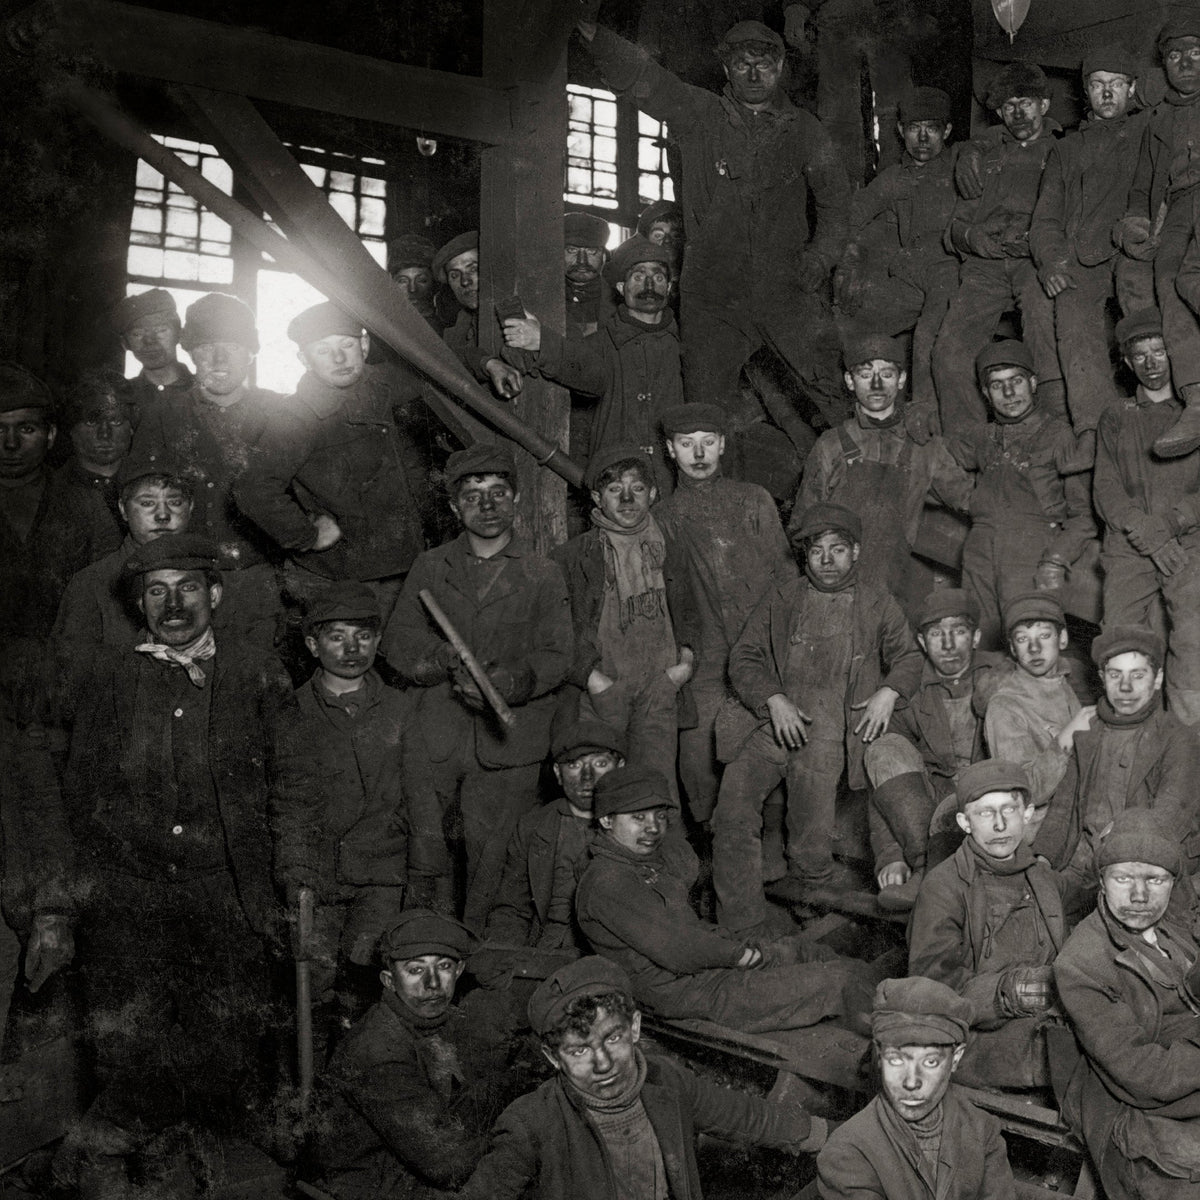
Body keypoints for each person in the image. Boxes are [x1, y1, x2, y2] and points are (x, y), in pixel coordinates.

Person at [52, 532, 289, 1191]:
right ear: (140, 604)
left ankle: (101, 1144)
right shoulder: (110, 676)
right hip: (132, 899)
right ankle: (143, 1163)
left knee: (225, 1043)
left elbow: (295, 779)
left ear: (214, 593)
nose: (173, 603)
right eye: (156, 591)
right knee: (128, 1043)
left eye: (187, 588)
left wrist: (295, 878)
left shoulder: (255, 670)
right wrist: (77, 902)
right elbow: (83, 793)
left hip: (226, 892)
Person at [577, 17, 850, 430]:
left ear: (780, 69)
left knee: (827, 395)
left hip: (786, 287)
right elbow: (644, 77)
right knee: (704, 409)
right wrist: (593, 34)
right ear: (726, 69)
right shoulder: (699, 114)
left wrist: (818, 259)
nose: (755, 75)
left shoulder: (806, 131)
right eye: (743, 65)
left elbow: (836, 205)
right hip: (713, 293)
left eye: (765, 65)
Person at [381, 443, 572, 929]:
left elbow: (558, 655)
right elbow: (398, 640)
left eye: (498, 493)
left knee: (494, 866)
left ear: (518, 500)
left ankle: (480, 963)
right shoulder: (430, 566)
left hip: (509, 745)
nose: (487, 507)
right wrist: (442, 657)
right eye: (472, 496)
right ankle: (427, 951)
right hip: (436, 737)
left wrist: (512, 682)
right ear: (452, 507)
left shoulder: (543, 571)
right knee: (426, 855)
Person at [460, 955, 831, 1200]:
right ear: (552, 1057)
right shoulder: (531, 1124)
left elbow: (747, 1117)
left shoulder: (664, 1081)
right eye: (579, 1050)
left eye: (613, 1038)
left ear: (635, 1028)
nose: (603, 1063)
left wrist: (833, 1132)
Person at [713, 502, 922, 928]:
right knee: (732, 812)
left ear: (857, 552)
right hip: (770, 725)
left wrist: (889, 690)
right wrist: (773, 698)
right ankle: (738, 924)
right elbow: (745, 655)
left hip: (828, 733)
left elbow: (909, 657)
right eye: (816, 552)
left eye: (838, 550)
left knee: (811, 838)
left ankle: (810, 912)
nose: (827, 561)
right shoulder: (784, 596)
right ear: (803, 555)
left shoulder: (876, 602)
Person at [578, 764, 875, 1035]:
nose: (653, 828)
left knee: (810, 953)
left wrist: (749, 951)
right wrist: (743, 956)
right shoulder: (609, 882)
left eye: (659, 815)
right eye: (638, 817)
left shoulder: (640, 864)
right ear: (606, 820)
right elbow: (680, 949)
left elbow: (687, 929)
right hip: (688, 992)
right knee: (839, 981)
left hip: (705, 970)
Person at [236, 300, 428, 624]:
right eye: (323, 350)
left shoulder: (379, 385)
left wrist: (486, 364)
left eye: (347, 344)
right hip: (340, 576)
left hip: (403, 564)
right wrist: (306, 534)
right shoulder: (297, 416)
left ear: (364, 346)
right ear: (304, 359)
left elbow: (432, 368)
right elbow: (253, 488)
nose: (339, 358)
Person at [655, 403, 796, 827]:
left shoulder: (753, 500)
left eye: (708, 443)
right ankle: (712, 855)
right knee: (699, 765)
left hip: (761, 653)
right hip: (704, 663)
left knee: (772, 752)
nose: (699, 454)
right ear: (670, 449)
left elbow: (787, 579)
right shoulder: (663, 517)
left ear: (722, 445)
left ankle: (767, 849)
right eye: (686, 444)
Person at [271, 582, 410, 1007]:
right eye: (337, 637)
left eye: (363, 636)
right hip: (316, 874)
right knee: (311, 989)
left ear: (378, 642)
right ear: (313, 645)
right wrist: (296, 875)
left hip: (383, 874)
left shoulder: (403, 709)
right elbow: (285, 803)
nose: (352, 648)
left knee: (370, 987)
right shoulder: (289, 712)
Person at [316, 911, 518, 1200]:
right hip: (371, 1185)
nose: (433, 983)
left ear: (459, 971)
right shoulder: (380, 1051)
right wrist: (520, 1135)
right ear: (388, 980)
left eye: (444, 966)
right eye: (415, 970)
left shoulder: (424, 1020)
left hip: (401, 1165)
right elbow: (448, 1164)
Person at [1053, 809, 1200, 1200]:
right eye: (1123, 878)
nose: (1139, 896)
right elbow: (1144, 1078)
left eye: (1155, 879)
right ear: (1101, 881)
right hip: (1130, 1112)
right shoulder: (1082, 962)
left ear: (1173, 883)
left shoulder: (1174, 932)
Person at [129, 291, 284, 648]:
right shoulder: (165, 413)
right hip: (185, 581)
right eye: (205, 346)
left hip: (259, 580)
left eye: (230, 344)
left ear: (251, 351)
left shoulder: (280, 413)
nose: (217, 357)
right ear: (190, 353)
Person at [908, 760, 1067, 1088]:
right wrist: (1007, 992)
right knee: (1066, 1054)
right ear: (965, 822)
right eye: (984, 813)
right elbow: (932, 990)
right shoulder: (944, 886)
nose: (999, 825)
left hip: (1043, 1016)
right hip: (976, 1034)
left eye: (1009, 810)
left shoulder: (1041, 877)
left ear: (1027, 814)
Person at [551, 445, 696, 800]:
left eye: (638, 489)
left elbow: (690, 612)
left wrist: (684, 666)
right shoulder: (573, 556)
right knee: (598, 793)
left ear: (654, 494)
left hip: (658, 691)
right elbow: (553, 630)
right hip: (601, 692)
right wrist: (593, 679)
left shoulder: (670, 547)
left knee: (657, 790)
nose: (628, 499)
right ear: (598, 498)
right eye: (616, 490)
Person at [788, 334, 972, 612]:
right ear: (850, 381)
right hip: (837, 587)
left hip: (894, 590)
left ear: (901, 380)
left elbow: (971, 498)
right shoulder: (831, 444)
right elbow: (802, 523)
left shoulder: (925, 446)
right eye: (865, 374)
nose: (876, 384)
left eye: (886, 374)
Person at [933, 62, 1064, 433]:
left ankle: (1048, 434)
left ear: (1044, 105)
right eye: (1008, 106)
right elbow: (955, 228)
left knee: (1045, 331)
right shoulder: (987, 157)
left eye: (1026, 102)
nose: (1018, 113)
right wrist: (973, 238)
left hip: (1034, 263)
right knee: (949, 353)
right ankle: (973, 444)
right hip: (985, 268)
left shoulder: (1062, 153)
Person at [863, 588, 1009, 912]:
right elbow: (883, 785)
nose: (947, 644)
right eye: (936, 634)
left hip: (993, 797)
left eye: (958, 632)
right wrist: (890, 855)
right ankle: (924, 869)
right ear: (921, 641)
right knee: (882, 749)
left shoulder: (1002, 675)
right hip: (933, 811)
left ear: (975, 637)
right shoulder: (907, 692)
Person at [503, 237, 682, 493]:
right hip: (617, 479)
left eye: (659, 277)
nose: (650, 285)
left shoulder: (683, 345)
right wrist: (541, 341)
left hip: (672, 480)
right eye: (639, 277)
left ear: (669, 287)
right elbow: (586, 373)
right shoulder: (601, 343)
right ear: (621, 287)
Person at [947, 340, 1096, 648]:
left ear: (1032, 383)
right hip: (979, 552)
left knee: (1034, 650)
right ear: (986, 394)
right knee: (981, 649)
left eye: (1016, 381)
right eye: (997, 386)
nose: (1009, 393)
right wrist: (969, 500)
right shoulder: (981, 437)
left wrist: (1057, 559)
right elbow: (938, 459)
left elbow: (1084, 518)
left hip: (1032, 557)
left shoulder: (1059, 435)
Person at [1029, 48, 1148, 432]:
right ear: (1087, 92)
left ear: (1133, 89)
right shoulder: (1066, 149)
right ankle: (1096, 430)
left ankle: (1160, 412)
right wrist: (1052, 263)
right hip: (1082, 257)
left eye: (1117, 84)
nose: (1108, 93)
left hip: (1139, 252)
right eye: (1098, 85)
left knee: (1148, 320)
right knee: (1074, 326)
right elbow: (1045, 218)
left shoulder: (1151, 132)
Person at [1035, 626, 1200, 903]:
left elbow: (1167, 818)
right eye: (1115, 675)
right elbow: (1064, 806)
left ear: (1157, 679)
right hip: (1083, 863)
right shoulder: (1090, 731)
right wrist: (1042, 859)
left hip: (1142, 867)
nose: (1125, 687)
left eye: (1138, 675)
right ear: (1102, 677)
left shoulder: (1178, 738)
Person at [817, 975, 1017, 1200]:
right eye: (896, 1060)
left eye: (930, 1062)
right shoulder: (848, 1152)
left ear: (956, 1058)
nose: (911, 1082)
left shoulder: (982, 1131)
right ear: (879, 1055)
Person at [1094, 307, 1200, 723]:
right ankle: (1130, 731)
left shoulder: (1195, 416)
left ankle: (1191, 741)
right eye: (1141, 356)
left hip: (1188, 544)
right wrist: (1145, 532)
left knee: (1194, 637)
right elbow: (1106, 489)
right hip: (1128, 545)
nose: (1152, 364)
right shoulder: (1117, 416)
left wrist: (1172, 525)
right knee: (1123, 640)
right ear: (1126, 361)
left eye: (1160, 352)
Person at [834, 86, 960, 412]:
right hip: (908, 278)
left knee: (929, 344)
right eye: (913, 128)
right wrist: (850, 257)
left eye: (931, 128)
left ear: (946, 131)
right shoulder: (894, 178)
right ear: (901, 131)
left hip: (953, 273)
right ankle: (864, 412)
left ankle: (924, 417)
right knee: (848, 323)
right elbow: (853, 217)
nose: (922, 138)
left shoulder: (960, 168)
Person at [1115, 17, 1200, 458]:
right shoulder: (1160, 119)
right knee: (1167, 284)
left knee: (1189, 279)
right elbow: (1140, 186)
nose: (1184, 63)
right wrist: (1135, 223)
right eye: (1173, 56)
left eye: (1195, 53)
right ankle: (1197, 395)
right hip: (1180, 206)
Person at [484, 717, 626, 960]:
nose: (587, 778)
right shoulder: (535, 825)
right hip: (548, 952)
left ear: (620, 767)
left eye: (600, 763)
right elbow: (511, 909)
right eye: (574, 765)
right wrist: (505, 962)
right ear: (558, 773)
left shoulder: (638, 825)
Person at [0, 363, 115, 641]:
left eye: (26, 429)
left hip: (65, 665)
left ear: (50, 435)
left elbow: (108, 599)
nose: (11, 444)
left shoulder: (87, 505)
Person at [51, 450, 194, 649]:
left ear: (191, 508)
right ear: (123, 509)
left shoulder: (213, 577)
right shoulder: (92, 584)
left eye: (175, 502)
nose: (163, 515)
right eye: (147, 503)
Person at [983, 591, 1093, 811]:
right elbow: (1025, 791)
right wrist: (1066, 739)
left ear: (1062, 639)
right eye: (1023, 639)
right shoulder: (1004, 706)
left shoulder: (1062, 683)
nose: (1034, 648)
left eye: (1044, 636)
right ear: (1013, 649)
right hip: (1041, 822)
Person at [432, 231, 523, 399]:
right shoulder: (459, 325)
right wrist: (485, 363)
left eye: (473, 269)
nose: (465, 281)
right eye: (454, 275)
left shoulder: (518, 313)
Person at [55, 369, 135, 545]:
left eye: (116, 421)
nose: (104, 434)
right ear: (71, 428)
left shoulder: (152, 483)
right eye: (91, 422)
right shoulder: (51, 492)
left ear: (131, 427)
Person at [110, 288, 192, 422]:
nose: (149, 341)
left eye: (161, 330)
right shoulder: (121, 397)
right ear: (125, 343)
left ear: (179, 334)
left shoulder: (205, 392)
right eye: (137, 334)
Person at [563, 210, 615, 338]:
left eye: (591, 251)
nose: (582, 260)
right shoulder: (542, 296)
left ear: (604, 256)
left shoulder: (620, 301)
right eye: (572, 250)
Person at [390, 232, 442, 334]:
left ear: (433, 282)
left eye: (421, 280)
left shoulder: (445, 329)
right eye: (403, 281)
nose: (412, 289)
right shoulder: (383, 326)